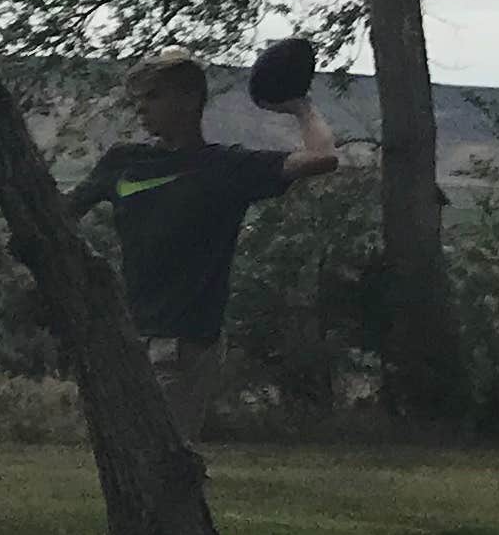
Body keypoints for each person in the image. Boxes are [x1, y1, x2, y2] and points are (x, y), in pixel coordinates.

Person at [65, 50, 342, 441]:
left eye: (153, 96)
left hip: (182, 344)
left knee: (161, 455)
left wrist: (300, 106)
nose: (141, 108)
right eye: (139, 99)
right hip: (124, 337)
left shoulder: (224, 168)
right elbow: (59, 213)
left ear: (189, 98)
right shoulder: (123, 162)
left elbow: (322, 157)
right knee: (124, 454)